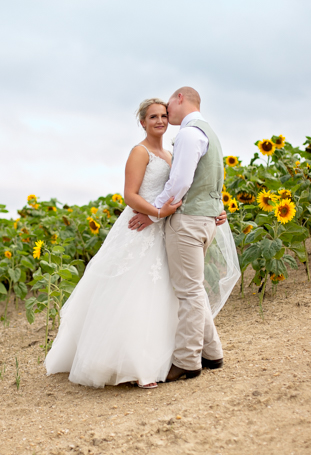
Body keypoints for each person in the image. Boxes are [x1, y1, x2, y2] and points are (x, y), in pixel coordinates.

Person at [45, 98, 235, 388]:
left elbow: (187, 187)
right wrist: (155, 213)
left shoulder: (172, 154)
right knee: (136, 292)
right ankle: (134, 365)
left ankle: (185, 355)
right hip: (141, 227)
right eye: (153, 117)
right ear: (143, 122)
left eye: (163, 115)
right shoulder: (140, 151)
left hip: (163, 226)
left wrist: (210, 209)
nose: (160, 121)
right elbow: (130, 195)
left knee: (175, 291)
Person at [128, 87, 237, 382]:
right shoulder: (208, 131)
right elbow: (211, 177)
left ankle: (188, 360)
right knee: (194, 288)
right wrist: (216, 206)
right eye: (155, 115)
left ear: (179, 99)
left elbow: (180, 181)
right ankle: (212, 353)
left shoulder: (189, 134)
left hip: (187, 221)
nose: (166, 117)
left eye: (166, 111)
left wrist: (153, 214)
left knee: (188, 292)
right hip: (204, 220)